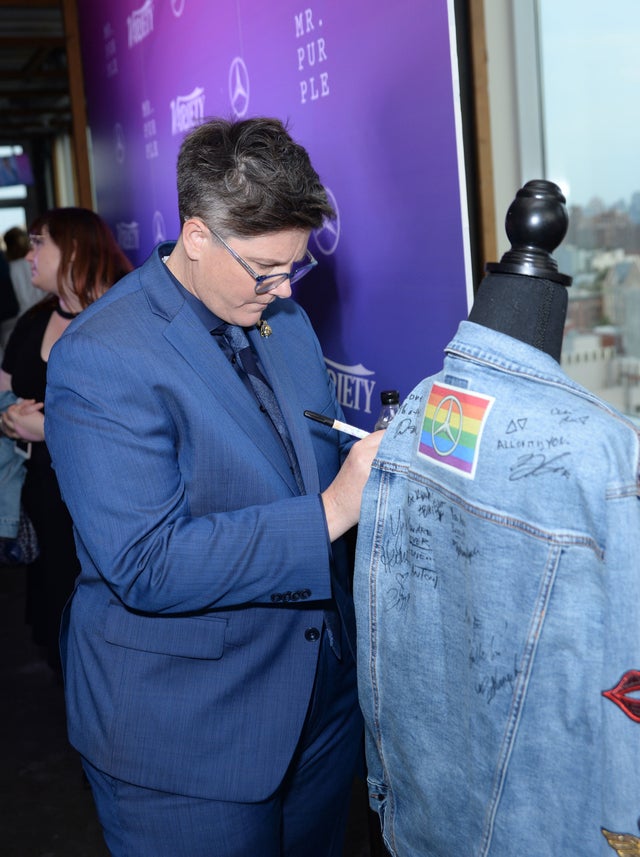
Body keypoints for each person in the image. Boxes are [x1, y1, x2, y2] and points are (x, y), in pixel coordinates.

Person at [44, 117, 382, 857]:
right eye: (265, 267)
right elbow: (146, 562)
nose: (286, 287)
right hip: (186, 736)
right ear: (195, 234)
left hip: (318, 709)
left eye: (293, 265)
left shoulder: (282, 321)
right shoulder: (101, 357)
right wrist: (331, 510)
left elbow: (301, 466)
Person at [353, 181, 640, 856]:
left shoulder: (418, 413)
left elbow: (381, 643)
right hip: (545, 826)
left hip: (414, 817)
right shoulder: (607, 455)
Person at [0, 207, 133, 673]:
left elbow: (136, 419)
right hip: (43, 503)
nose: (29, 254)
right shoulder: (32, 322)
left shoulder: (126, 317)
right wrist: (8, 419)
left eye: (40, 243)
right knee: (61, 625)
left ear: (73, 248)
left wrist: (50, 429)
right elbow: (2, 395)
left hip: (109, 506)